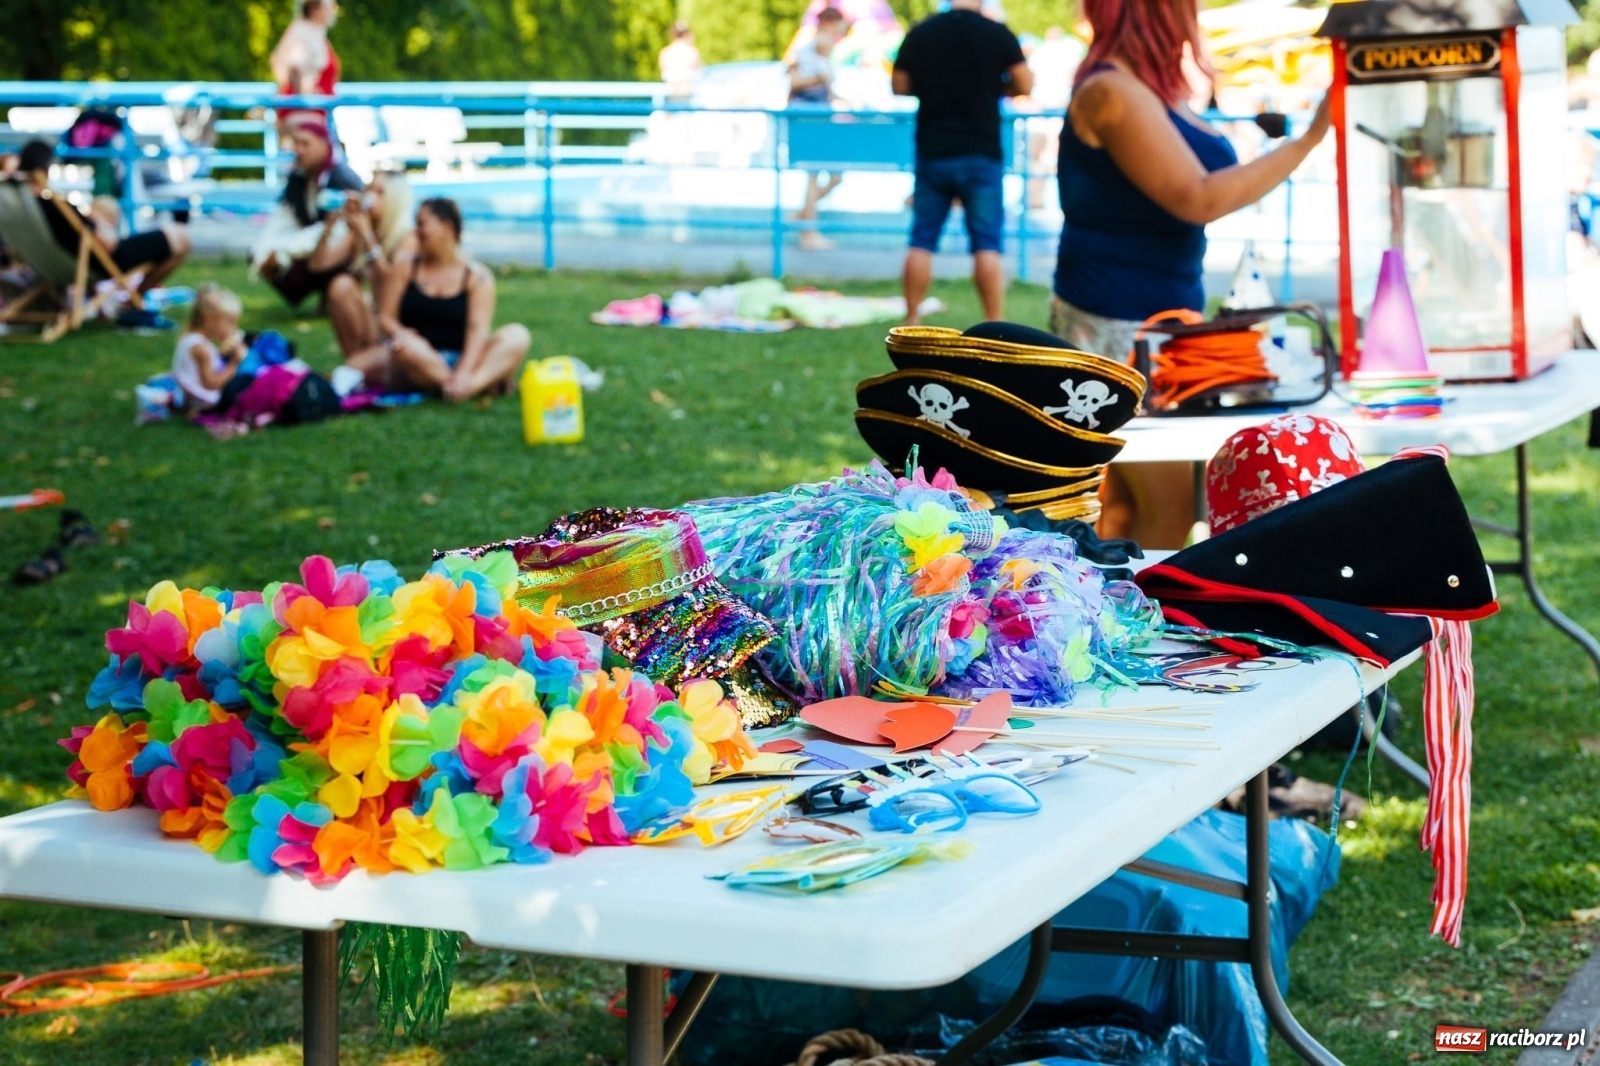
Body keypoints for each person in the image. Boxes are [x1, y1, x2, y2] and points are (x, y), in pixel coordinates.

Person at [1050, 0, 1330, 549]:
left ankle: (1112, 622)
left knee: (1124, 511)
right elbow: (1195, 197)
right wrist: (1308, 141)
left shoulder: (1144, 88)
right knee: (1167, 514)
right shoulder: (1111, 91)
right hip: (1117, 326)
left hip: (1153, 321)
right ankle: (1144, 629)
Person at [892, 0, 1031, 324]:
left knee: (922, 239)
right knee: (986, 244)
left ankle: (911, 318)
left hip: (934, 151)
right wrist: (997, 86)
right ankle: (994, 322)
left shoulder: (921, 33)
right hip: (981, 152)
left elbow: (899, 84)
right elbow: (1025, 84)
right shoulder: (997, 33)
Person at [368, 198, 531, 401]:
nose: (415, 231)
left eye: (421, 224)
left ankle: (467, 387)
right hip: (418, 359)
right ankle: (458, 386)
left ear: (446, 227)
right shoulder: (404, 267)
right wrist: (401, 333)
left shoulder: (477, 277)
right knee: (405, 346)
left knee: (518, 335)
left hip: (464, 358)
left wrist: (464, 371)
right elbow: (385, 317)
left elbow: (477, 333)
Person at [17, 140, 191, 327]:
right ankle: (134, 301)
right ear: (47, 167)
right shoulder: (53, 206)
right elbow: (109, 244)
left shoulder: (21, 205)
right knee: (181, 239)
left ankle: (131, 302)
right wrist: (102, 226)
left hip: (56, 262)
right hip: (100, 260)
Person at [254, 121, 364, 308]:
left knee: (327, 253)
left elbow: (344, 230)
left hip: (339, 248)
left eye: (305, 144)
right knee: (262, 255)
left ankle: (334, 298)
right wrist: (264, 253)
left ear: (323, 144)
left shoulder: (343, 179)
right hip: (312, 244)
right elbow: (283, 217)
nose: (299, 150)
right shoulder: (298, 178)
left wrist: (284, 249)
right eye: (296, 144)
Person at [323, 170, 417, 372]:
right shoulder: (363, 228)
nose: (371, 197)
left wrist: (366, 238)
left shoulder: (408, 238)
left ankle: (359, 369)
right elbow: (319, 264)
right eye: (370, 190)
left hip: (401, 330)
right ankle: (359, 368)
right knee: (341, 286)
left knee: (350, 370)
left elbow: (393, 287)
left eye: (380, 192)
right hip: (375, 326)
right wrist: (330, 225)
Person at [789, 7, 850, 251]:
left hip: (821, 117)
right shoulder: (810, 45)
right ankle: (808, 232)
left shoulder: (823, 51)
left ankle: (804, 215)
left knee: (834, 175)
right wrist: (820, 79)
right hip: (808, 119)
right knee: (814, 174)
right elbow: (796, 81)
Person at [271, 0, 342, 135]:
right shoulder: (304, 32)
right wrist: (305, 98)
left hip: (313, 110)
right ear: (315, 10)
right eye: (330, 7)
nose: (334, 11)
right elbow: (293, 65)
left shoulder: (314, 31)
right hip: (304, 112)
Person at [171, 284, 246, 409]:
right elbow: (211, 384)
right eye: (230, 322)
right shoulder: (201, 349)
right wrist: (234, 363)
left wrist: (221, 354)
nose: (234, 328)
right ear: (209, 321)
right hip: (202, 400)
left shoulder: (190, 339)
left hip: (189, 396)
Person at [658, 21, 704, 103]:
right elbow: (701, 72)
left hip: (670, 96)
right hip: (689, 96)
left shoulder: (665, 53)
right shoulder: (692, 52)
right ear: (686, 34)